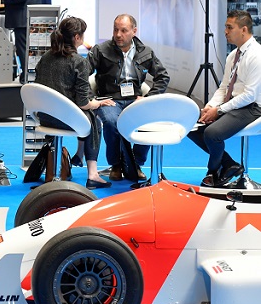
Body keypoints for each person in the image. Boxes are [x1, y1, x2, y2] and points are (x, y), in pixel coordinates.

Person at [34, 17, 115, 189]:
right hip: (66, 120)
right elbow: (83, 103)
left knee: (86, 115)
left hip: (44, 117)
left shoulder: (45, 58)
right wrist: (98, 104)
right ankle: (92, 174)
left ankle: (79, 155)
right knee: (94, 120)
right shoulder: (79, 62)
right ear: (77, 37)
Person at [88, 14, 170, 180]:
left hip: (135, 98)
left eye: (123, 31)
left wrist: (149, 98)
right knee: (111, 122)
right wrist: (93, 99)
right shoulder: (100, 50)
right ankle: (116, 165)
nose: (118, 35)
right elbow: (82, 76)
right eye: (115, 30)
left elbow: (163, 76)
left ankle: (135, 163)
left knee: (148, 121)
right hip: (109, 98)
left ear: (134, 31)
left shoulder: (146, 52)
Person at [188, 10, 261, 188]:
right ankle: (229, 165)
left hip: (252, 107)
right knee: (190, 124)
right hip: (234, 104)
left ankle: (214, 172)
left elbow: (250, 95)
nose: (225, 32)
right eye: (225, 27)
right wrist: (210, 107)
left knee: (212, 134)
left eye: (229, 27)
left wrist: (219, 110)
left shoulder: (257, 55)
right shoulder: (233, 56)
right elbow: (224, 88)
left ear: (243, 30)